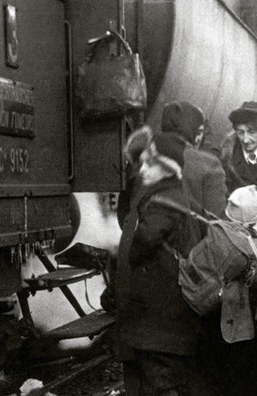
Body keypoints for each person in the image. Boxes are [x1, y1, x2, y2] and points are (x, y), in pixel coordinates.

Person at [113, 133, 207, 396]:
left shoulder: (162, 203)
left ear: (166, 168)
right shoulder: (178, 197)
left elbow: (141, 244)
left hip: (160, 322)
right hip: (169, 319)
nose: (143, 170)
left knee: (160, 384)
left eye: (150, 164)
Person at [199, 184, 257, 396]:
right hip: (242, 325)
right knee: (241, 379)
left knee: (213, 376)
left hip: (208, 311)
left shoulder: (210, 233)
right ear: (255, 217)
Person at [160, 101, 227, 217]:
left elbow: (125, 212)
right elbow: (215, 220)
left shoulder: (143, 155)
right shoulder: (209, 165)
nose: (198, 138)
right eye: (197, 131)